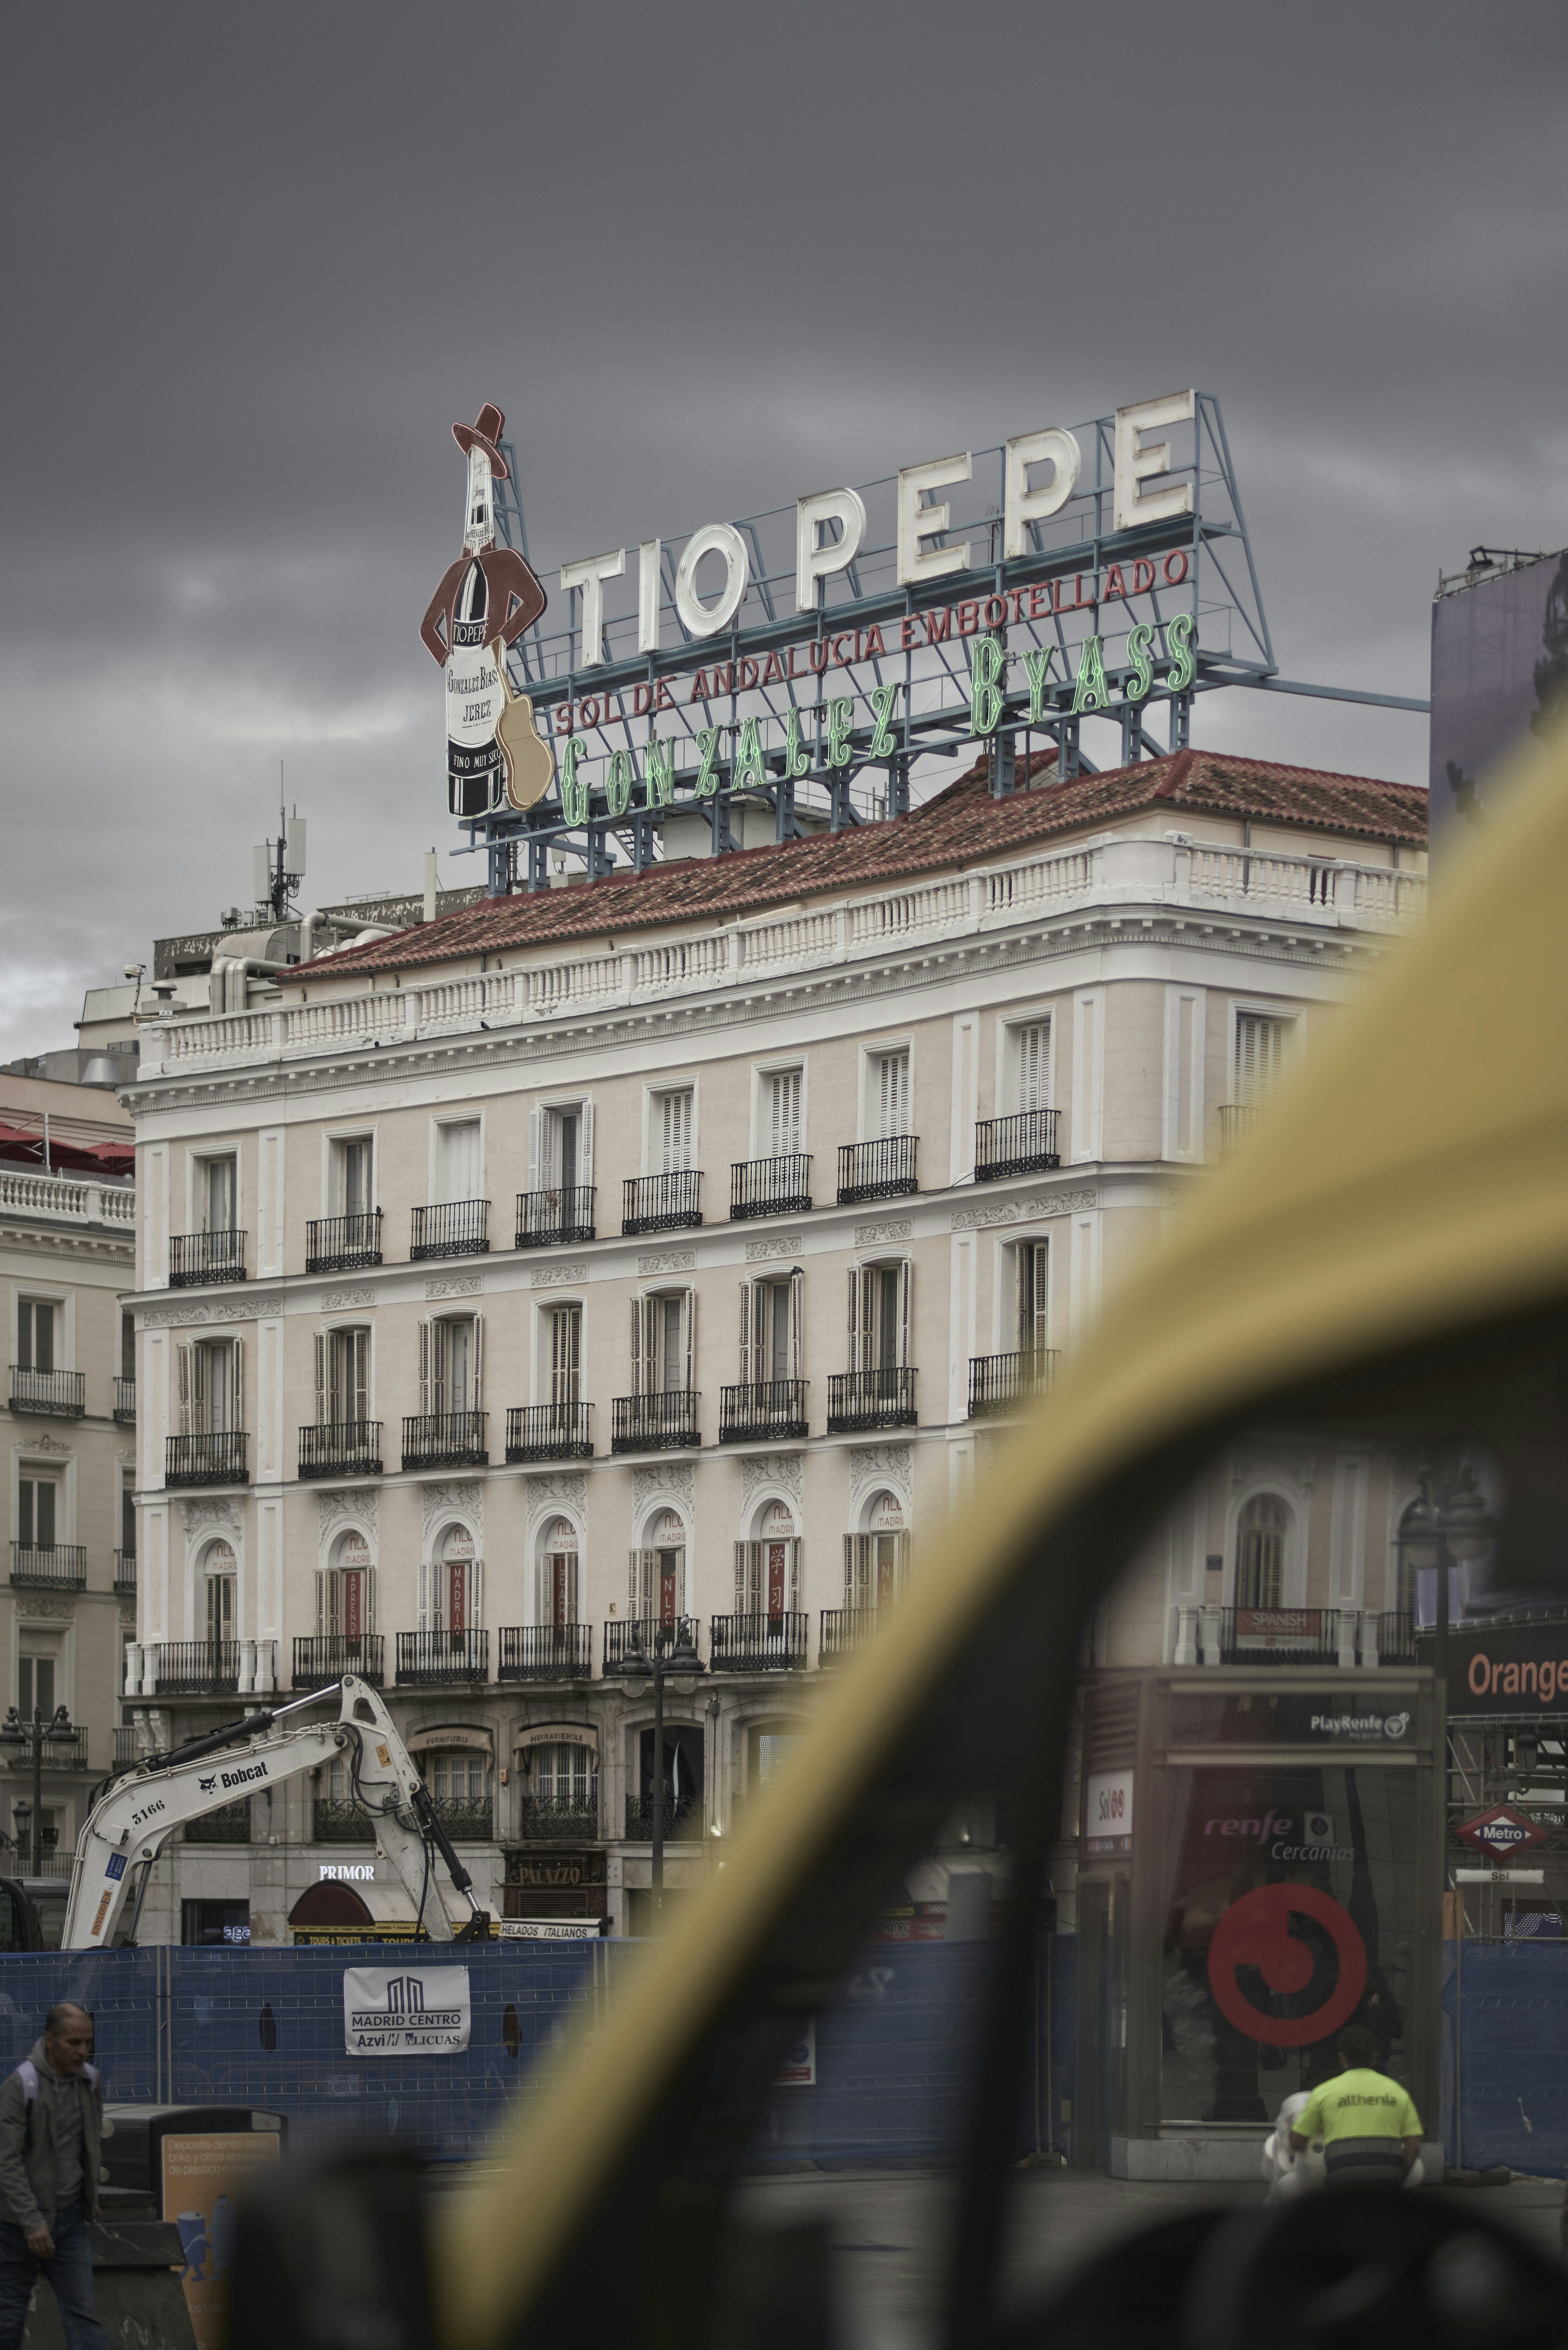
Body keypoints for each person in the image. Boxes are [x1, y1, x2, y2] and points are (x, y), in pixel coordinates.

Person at [0, 2002, 107, 2349]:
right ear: (50, 2040)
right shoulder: (21, 2086)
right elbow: (6, 2161)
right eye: (73, 2042)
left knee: (83, 2316)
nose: (82, 2051)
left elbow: (87, 2145)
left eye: (87, 2042)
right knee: (10, 2317)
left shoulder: (91, 2081)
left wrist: (89, 2201)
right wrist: (32, 2221)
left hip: (70, 2218)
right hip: (17, 2225)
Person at [1289, 2022, 1422, 2188]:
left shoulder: (1323, 2093)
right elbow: (1414, 2145)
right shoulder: (1398, 2093)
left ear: (1342, 2057)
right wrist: (1400, 2178)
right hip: (1388, 2182)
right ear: (1374, 2056)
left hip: (1341, 2181)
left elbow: (1296, 2142)